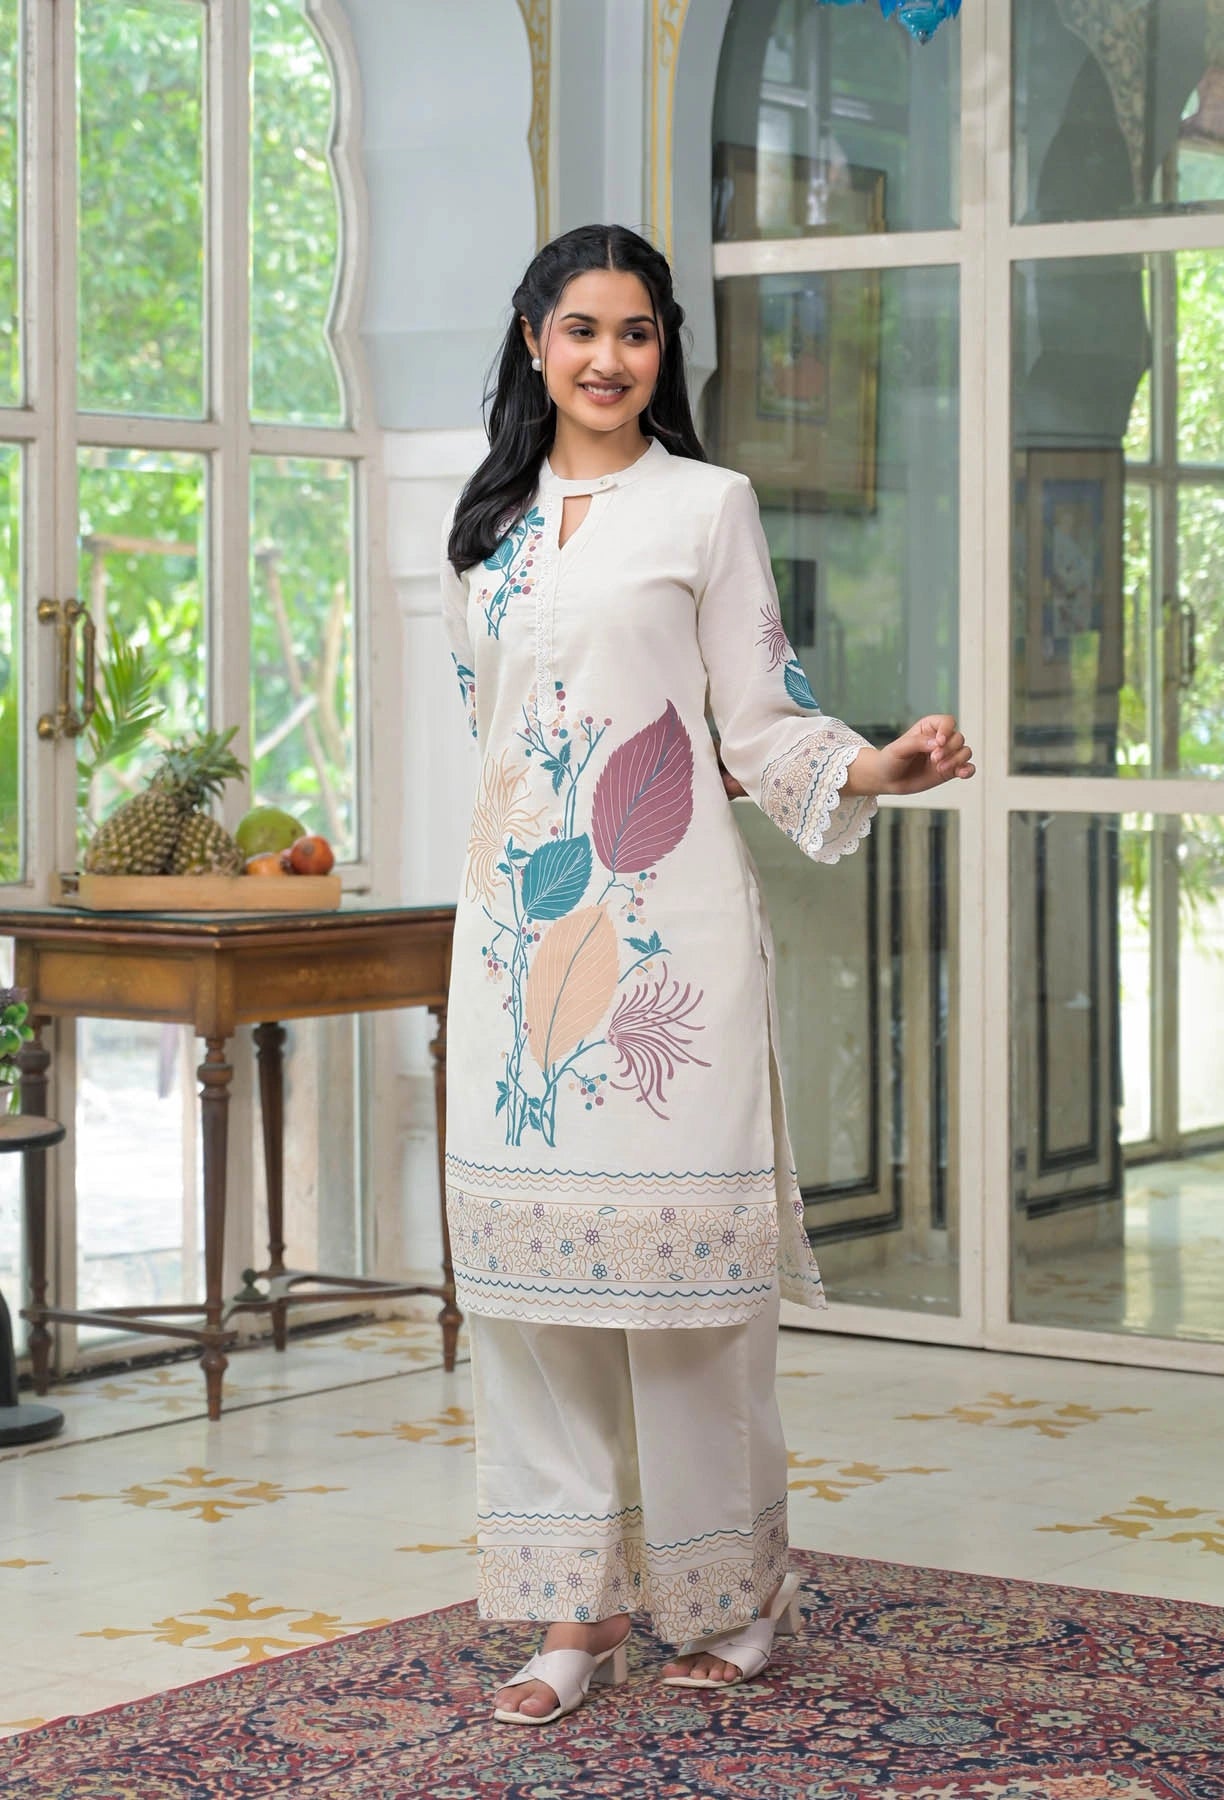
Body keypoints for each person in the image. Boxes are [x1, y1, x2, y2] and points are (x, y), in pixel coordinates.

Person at [439, 223, 974, 1725]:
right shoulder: (486, 529)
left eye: (640, 332)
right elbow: (493, 742)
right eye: (583, 329)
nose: (611, 358)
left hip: (661, 947)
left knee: (688, 1305)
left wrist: (875, 764)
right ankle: (571, 1616)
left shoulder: (708, 505)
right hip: (512, 952)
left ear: (666, 351)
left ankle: (729, 1597)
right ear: (533, 338)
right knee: (534, 1307)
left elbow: (760, 717)